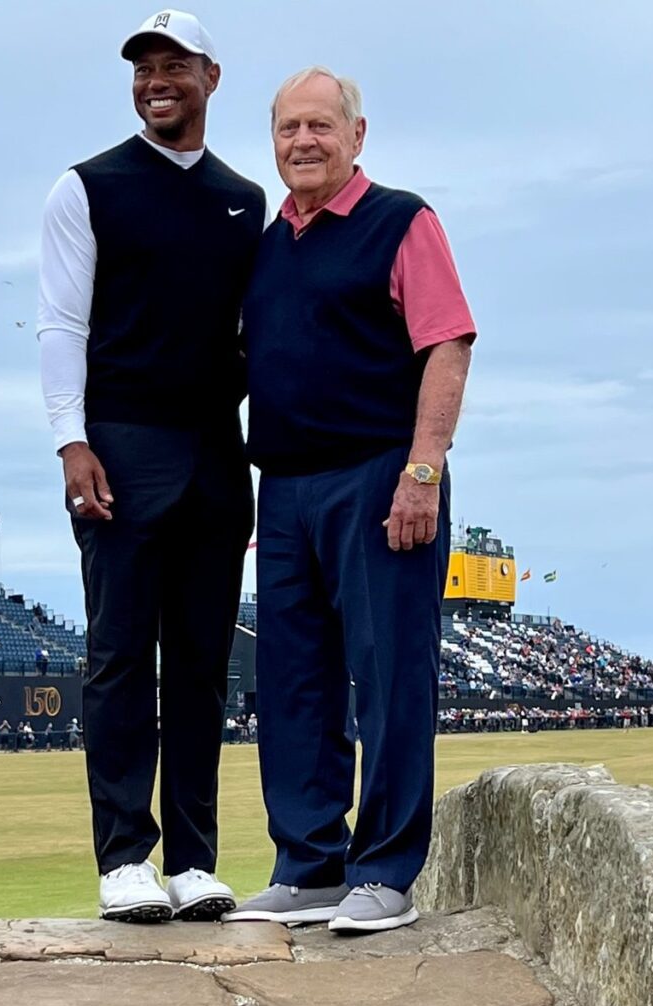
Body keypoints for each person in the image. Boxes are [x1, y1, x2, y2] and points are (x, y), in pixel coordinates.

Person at [225, 68, 475, 934]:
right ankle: (309, 867)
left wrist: (423, 471)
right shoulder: (267, 247)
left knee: (392, 676)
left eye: (321, 126)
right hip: (284, 487)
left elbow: (447, 344)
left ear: (356, 136)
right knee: (293, 684)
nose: (304, 141)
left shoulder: (400, 221)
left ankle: (386, 872)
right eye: (289, 128)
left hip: (380, 477)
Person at [36, 9, 263, 924]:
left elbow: (253, 334)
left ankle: (194, 860)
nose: (156, 81)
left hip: (216, 451)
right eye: (143, 68)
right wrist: (71, 440)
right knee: (122, 655)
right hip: (120, 445)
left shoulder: (245, 200)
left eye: (175, 65)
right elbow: (62, 323)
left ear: (212, 77)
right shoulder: (87, 187)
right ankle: (125, 856)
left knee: (202, 665)